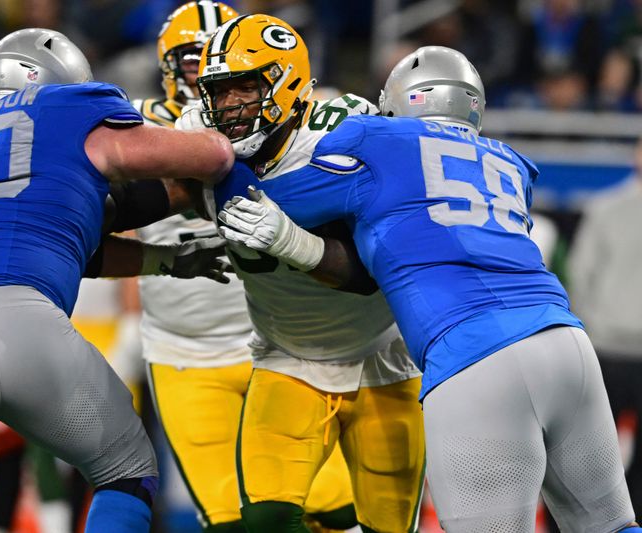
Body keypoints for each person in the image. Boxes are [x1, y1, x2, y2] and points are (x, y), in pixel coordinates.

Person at [218, 45, 640, 533]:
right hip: (567, 343)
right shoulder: (511, 162)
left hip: (474, 355)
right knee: (613, 525)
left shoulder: (374, 138)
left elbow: (259, 203)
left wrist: (222, 156)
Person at [0, 27, 235, 533]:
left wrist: (163, 259)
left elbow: (70, 242)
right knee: (126, 471)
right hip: (21, 325)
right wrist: (212, 136)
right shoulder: (71, 108)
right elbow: (211, 158)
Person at [179, 13, 425, 533]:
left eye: (245, 87)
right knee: (267, 521)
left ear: (288, 81)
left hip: (380, 357)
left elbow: (375, 271)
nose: (229, 106)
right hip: (288, 357)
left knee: (389, 527)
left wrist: (293, 241)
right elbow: (139, 201)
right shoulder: (201, 142)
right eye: (219, 92)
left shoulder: (345, 134)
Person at [130, 4, 361, 532]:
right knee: (231, 521)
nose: (212, 75)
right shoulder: (134, 125)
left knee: (334, 508)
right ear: (169, 66)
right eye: (196, 59)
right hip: (182, 348)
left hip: (272, 338)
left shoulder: (293, 119)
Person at [569, 144, 642, 517]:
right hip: (610, 349)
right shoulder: (604, 208)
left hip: (604, 350)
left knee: (587, 456)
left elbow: (580, 278)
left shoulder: (603, 207)